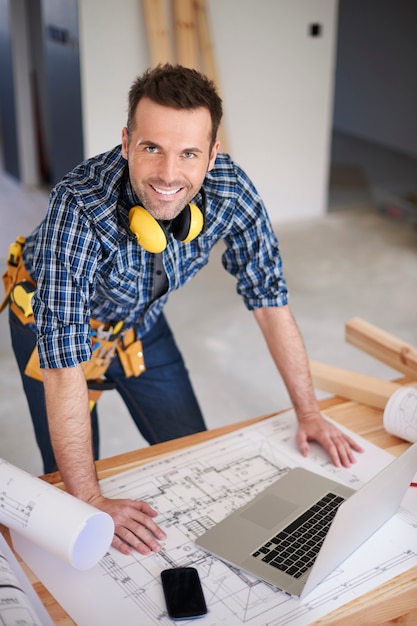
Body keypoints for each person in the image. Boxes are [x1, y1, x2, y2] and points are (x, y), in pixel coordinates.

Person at [7, 64, 363, 557]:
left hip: (140, 324)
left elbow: (270, 302)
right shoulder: (80, 205)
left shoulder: (230, 190)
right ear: (127, 140)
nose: (169, 175)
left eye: (189, 153)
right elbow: (65, 366)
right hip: (50, 322)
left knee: (194, 454)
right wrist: (88, 496)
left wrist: (310, 413)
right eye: (151, 147)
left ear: (212, 154)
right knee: (71, 495)